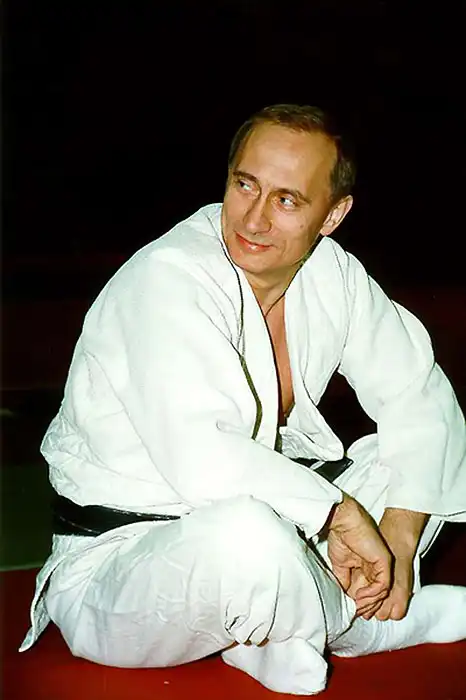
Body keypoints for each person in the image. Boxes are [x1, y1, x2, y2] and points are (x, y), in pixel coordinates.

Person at [21, 104, 466, 695]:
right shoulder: (167, 278)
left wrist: (400, 542)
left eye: (287, 200)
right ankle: (367, 629)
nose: (255, 219)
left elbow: (420, 396)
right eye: (245, 185)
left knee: (409, 458)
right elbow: (202, 459)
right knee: (248, 537)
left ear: (333, 215)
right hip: (124, 566)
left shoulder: (332, 274)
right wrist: (340, 514)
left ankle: (271, 632)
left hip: (276, 529)